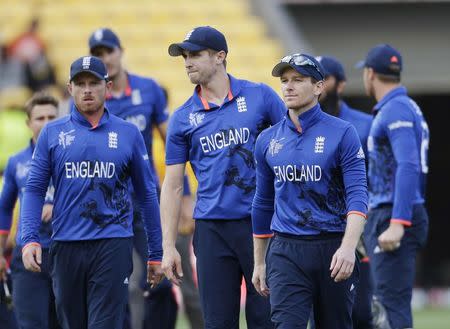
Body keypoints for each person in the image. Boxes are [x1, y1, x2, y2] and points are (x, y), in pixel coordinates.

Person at [19, 55, 164, 329]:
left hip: (113, 243)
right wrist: (29, 239)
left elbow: (147, 195)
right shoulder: (52, 134)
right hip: (66, 244)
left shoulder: (128, 133)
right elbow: (35, 189)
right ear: (69, 87)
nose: (87, 90)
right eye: (80, 83)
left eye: (94, 83)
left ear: (107, 87)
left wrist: (155, 252)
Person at [161, 26, 286, 329]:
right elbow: (174, 184)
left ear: (220, 56)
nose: (187, 62)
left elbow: (293, 146)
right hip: (211, 231)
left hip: (263, 226)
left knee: (267, 320)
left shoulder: (260, 96)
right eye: (185, 56)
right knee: (217, 322)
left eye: (195, 54)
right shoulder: (182, 118)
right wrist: (167, 246)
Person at [251, 53, 368, 329]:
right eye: (284, 80)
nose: (288, 87)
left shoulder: (343, 133)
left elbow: (358, 194)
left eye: (298, 80)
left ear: (318, 87)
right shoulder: (267, 140)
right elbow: (262, 202)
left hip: (332, 248)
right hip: (285, 251)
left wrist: (348, 248)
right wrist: (259, 261)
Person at [87, 27, 179, 329]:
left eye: (108, 51)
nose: (105, 58)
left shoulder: (149, 89)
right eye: (97, 54)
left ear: (120, 51)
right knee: (116, 286)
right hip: (107, 206)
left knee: (162, 281)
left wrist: (187, 194)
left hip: (144, 199)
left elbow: (171, 142)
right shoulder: (89, 99)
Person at [357, 44, 429, 329]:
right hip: (387, 213)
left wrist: (399, 221)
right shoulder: (403, 105)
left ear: (370, 73)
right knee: (384, 305)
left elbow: (408, 164)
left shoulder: (396, 109)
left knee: (390, 309)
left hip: (394, 215)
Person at [317, 55, 374, 329]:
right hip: (315, 229)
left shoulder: (365, 125)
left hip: (358, 226)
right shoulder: (297, 126)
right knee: (319, 314)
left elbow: (381, 174)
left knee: (362, 313)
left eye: (324, 78)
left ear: (340, 84)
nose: (319, 85)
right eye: (314, 78)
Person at [0, 92, 59, 329]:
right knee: (30, 324)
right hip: (27, 256)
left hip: (66, 253)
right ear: (28, 123)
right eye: (40, 118)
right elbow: (4, 208)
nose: (46, 123)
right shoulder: (16, 162)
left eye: (51, 117)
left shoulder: (75, 155)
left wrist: (57, 207)